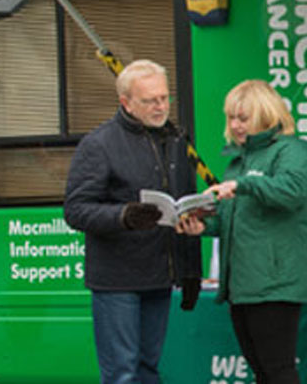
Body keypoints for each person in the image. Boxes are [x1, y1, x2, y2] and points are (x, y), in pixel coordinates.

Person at [64, 59, 202, 384]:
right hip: (118, 280)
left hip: (160, 275)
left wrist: (190, 269)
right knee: (122, 373)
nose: (161, 106)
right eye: (150, 100)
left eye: (164, 98)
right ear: (125, 102)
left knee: (148, 369)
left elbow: (184, 203)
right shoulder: (99, 144)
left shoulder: (176, 140)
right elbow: (76, 210)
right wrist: (124, 216)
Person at [177, 79, 307, 384]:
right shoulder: (238, 160)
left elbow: (292, 190)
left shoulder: (292, 150)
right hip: (241, 285)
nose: (236, 125)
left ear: (266, 114)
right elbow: (235, 219)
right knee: (263, 371)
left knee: (278, 370)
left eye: (243, 118)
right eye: (231, 118)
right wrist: (203, 226)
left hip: (275, 282)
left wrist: (244, 184)